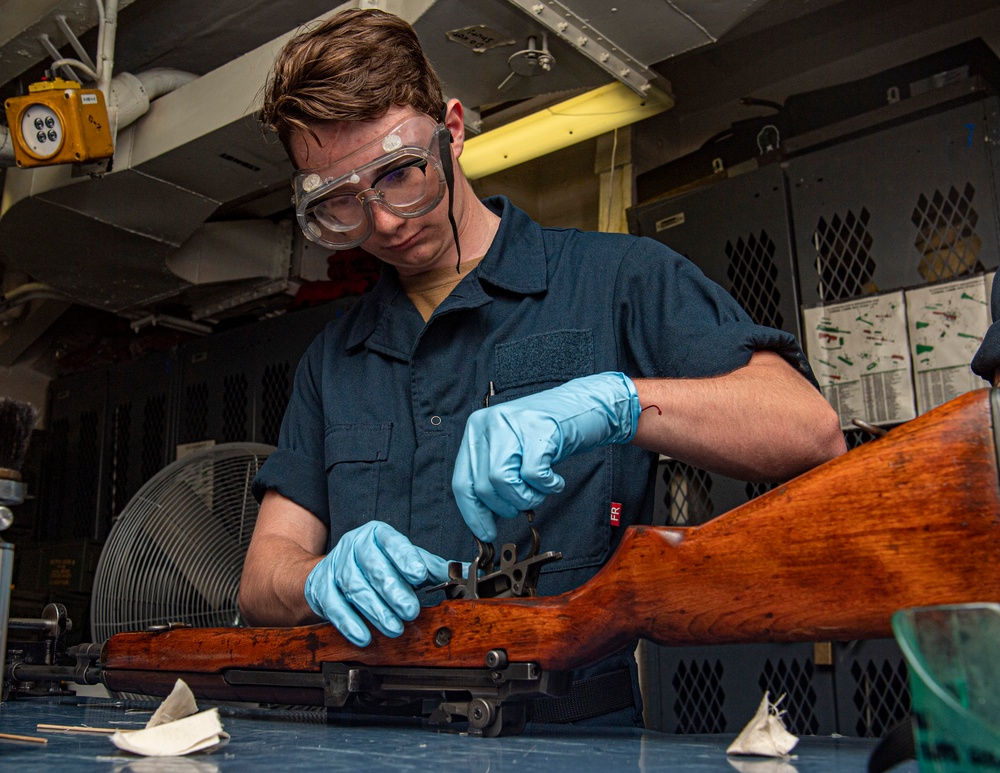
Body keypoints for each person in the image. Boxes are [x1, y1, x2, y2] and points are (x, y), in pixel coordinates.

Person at [238, 8, 847, 726]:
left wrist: (615, 404)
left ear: (453, 129)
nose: (385, 223)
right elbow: (261, 576)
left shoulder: (617, 278)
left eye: (401, 174)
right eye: (341, 202)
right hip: (370, 736)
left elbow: (809, 428)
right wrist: (315, 579)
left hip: (569, 737)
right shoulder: (333, 359)